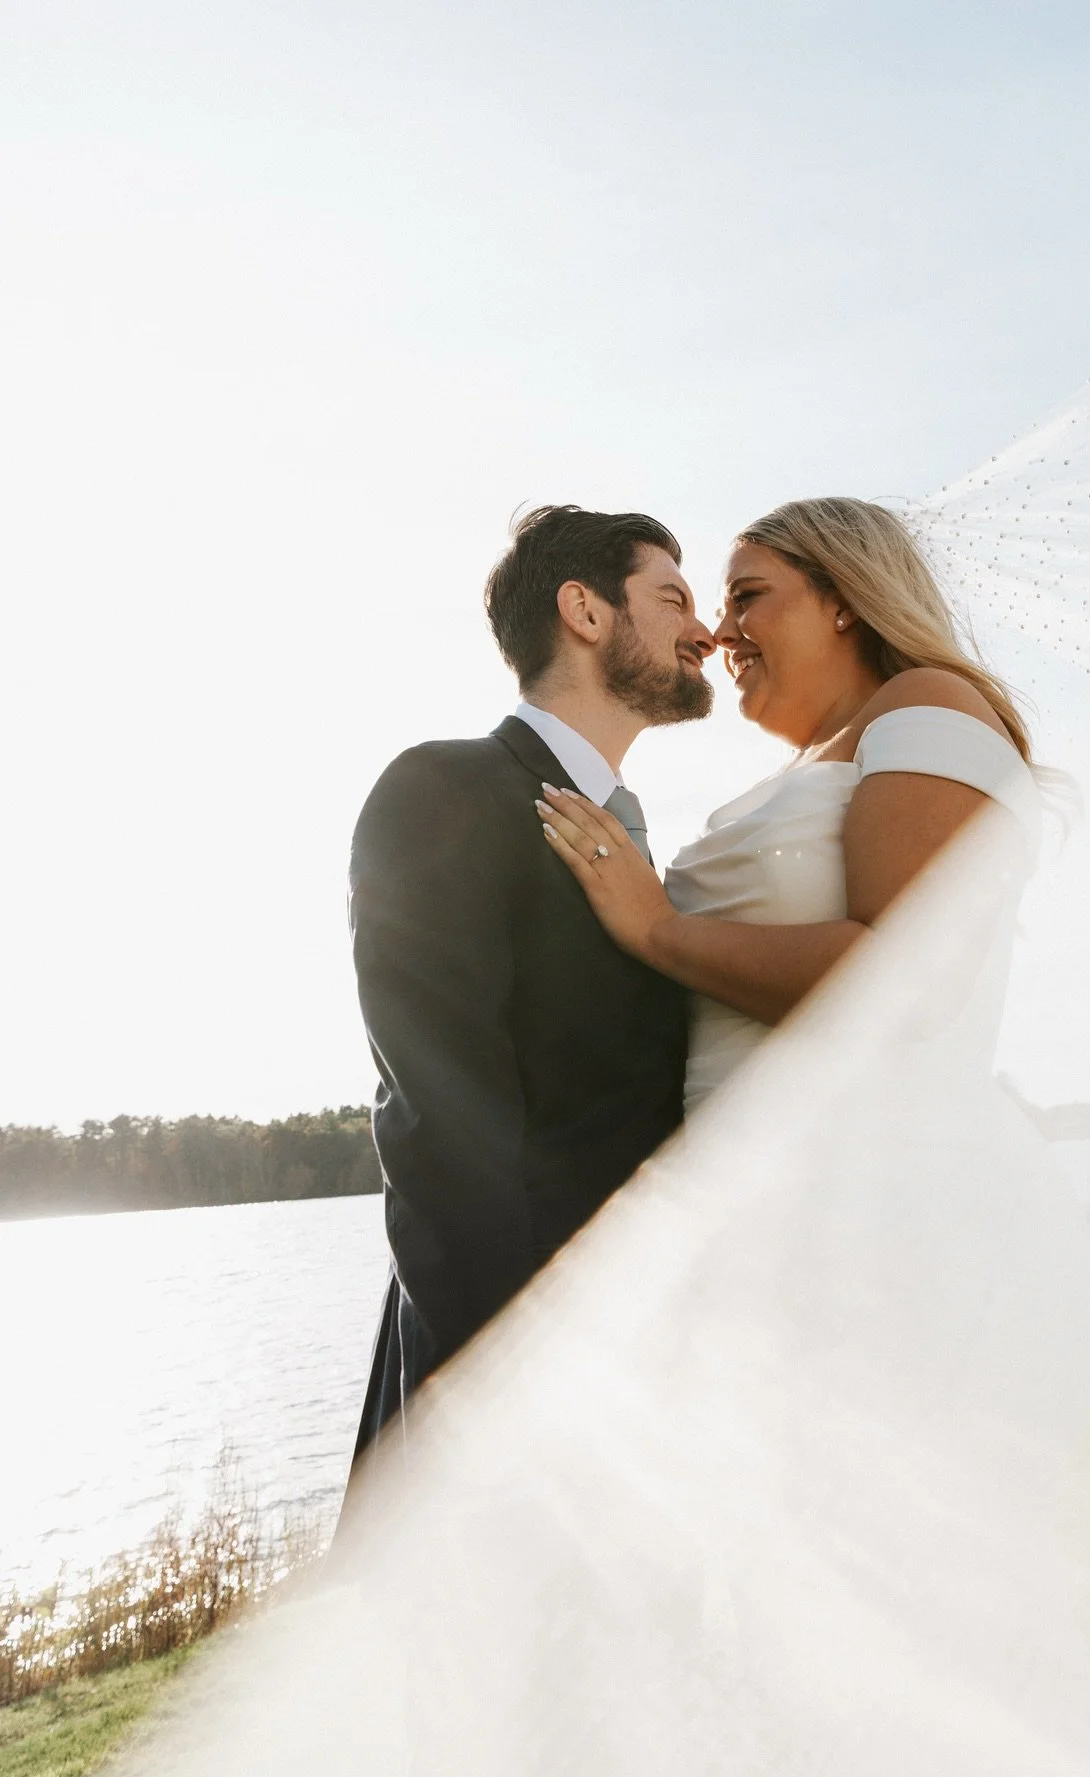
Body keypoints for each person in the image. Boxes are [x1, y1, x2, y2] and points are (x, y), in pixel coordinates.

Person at [343, 503, 716, 1475]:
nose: (705, 630)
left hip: (644, 1362)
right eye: (673, 599)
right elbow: (438, 1128)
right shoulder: (445, 791)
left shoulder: (627, 834)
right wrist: (507, 1386)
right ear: (585, 612)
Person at [537, 495, 1041, 1109]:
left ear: (844, 600)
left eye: (746, 597)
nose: (720, 635)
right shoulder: (802, 770)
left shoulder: (929, 698)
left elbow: (912, 979)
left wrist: (658, 929)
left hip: (860, 1153)